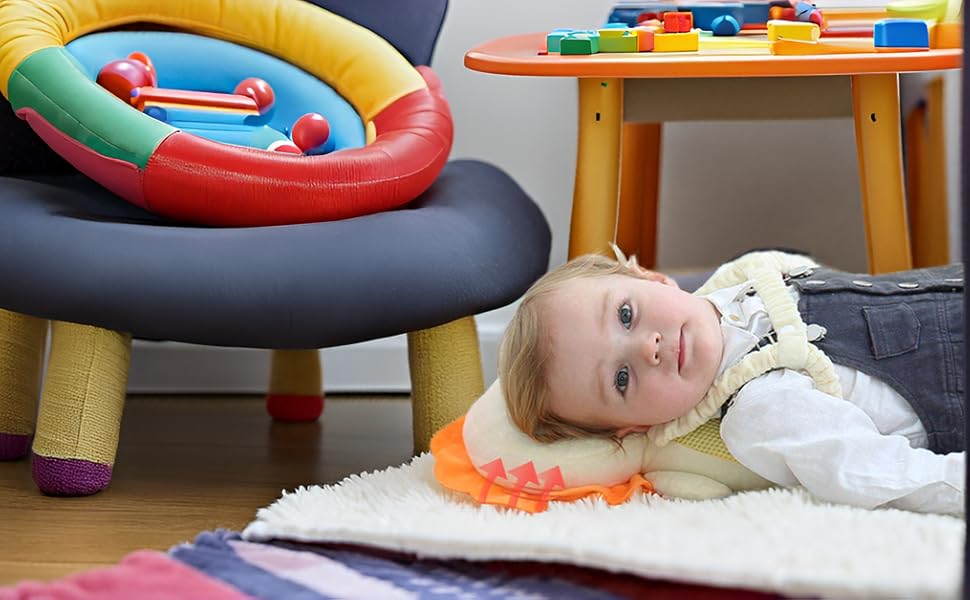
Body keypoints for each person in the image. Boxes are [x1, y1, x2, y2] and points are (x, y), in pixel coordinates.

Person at [498, 247, 966, 515]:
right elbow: (872, 474)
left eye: (626, 314)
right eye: (621, 379)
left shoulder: (742, 281)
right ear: (636, 428)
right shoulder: (760, 411)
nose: (647, 347)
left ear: (652, 279)